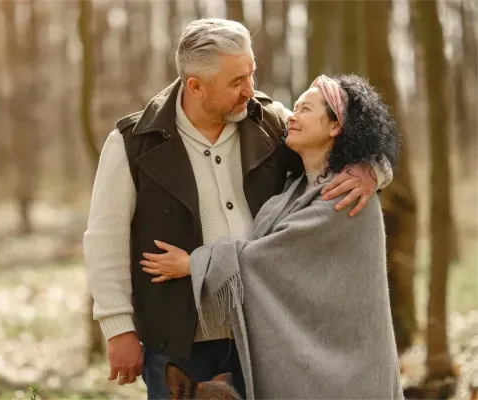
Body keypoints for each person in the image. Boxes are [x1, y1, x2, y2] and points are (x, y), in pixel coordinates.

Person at [83, 19, 392, 400]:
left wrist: (372, 169)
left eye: (251, 74)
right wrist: (119, 329)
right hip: (179, 339)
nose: (250, 90)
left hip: (263, 334)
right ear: (195, 85)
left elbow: (340, 142)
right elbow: (105, 239)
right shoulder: (133, 142)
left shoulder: (270, 122)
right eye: (236, 82)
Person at [141, 74, 404, 400]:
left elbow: (265, 258)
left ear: (336, 127)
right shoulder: (294, 190)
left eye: (306, 109)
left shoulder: (347, 197)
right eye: (294, 107)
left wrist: (194, 263)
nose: (292, 116)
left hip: (352, 374)